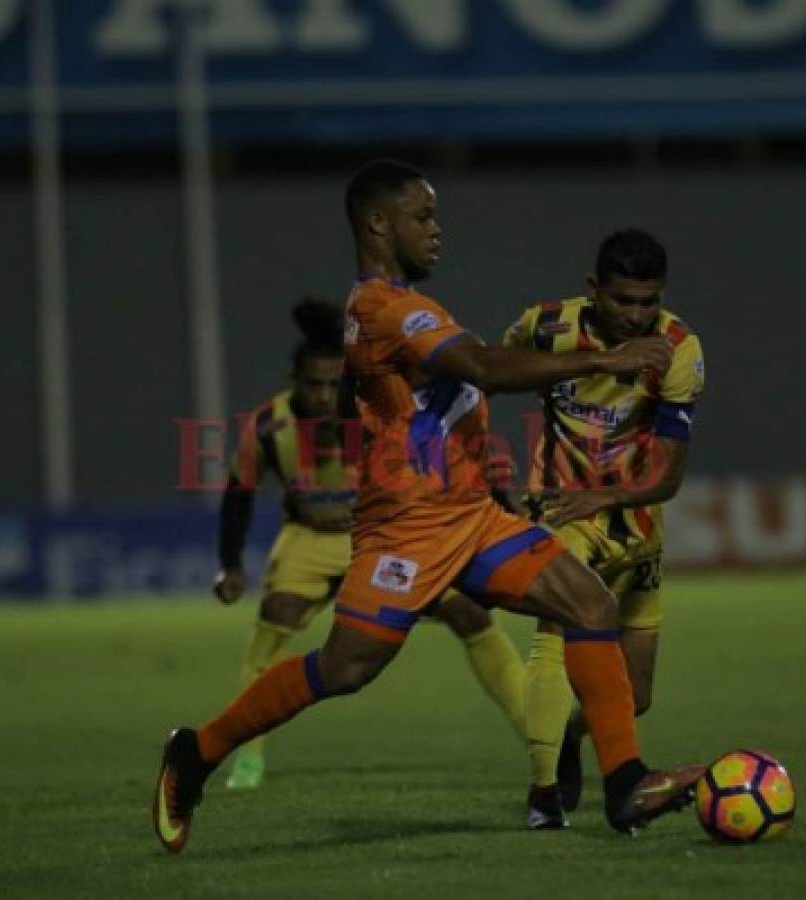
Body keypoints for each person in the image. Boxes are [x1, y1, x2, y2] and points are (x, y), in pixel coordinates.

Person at [152, 159, 704, 853]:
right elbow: (481, 368)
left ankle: (625, 784)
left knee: (589, 605)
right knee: (347, 668)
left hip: (469, 516)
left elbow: (443, 384)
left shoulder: (395, 305)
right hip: (406, 531)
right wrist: (599, 363)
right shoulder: (389, 308)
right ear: (379, 223)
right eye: (423, 217)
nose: (437, 231)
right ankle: (196, 753)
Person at [213, 298, 529, 791]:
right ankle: (247, 759)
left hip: (389, 534)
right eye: (311, 384)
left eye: (329, 383)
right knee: (276, 616)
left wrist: (504, 504)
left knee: (469, 614)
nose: (321, 395)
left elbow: (462, 455)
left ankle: (538, 732)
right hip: (312, 537)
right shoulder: (270, 426)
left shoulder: (381, 408)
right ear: (294, 380)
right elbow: (239, 495)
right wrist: (230, 565)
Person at [503, 228, 705, 827]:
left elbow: (667, 477)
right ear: (594, 291)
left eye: (649, 302)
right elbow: (496, 369)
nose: (637, 315)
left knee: (634, 696)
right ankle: (543, 795)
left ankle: (566, 737)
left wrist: (605, 495)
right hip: (561, 515)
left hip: (636, 525)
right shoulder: (544, 327)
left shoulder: (678, 348)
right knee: (554, 632)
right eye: (623, 301)